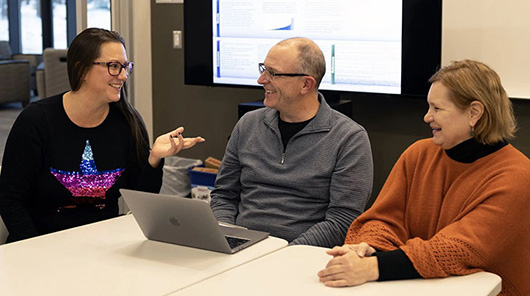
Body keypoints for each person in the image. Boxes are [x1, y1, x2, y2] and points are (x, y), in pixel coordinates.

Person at [317, 60, 530, 295]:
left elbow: (457, 249)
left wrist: (372, 267)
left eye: (437, 109)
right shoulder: (419, 154)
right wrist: (367, 248)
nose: (427, 117)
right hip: (416, 286)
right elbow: (382, 219)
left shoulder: (518, 175)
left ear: (474, 113)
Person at [0, 28, 204, 243]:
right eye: (113, 66)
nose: (124, 76)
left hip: (104, 245)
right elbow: (10, 198)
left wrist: (154, 159)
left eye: (125, 67)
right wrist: (34, 247)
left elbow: (142, 199)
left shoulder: (127, 121)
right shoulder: (37, 120)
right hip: (40, 245)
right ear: (81, 70)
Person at [209, 37, 373, 248]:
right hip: (242, 248)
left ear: (306, 84)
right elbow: (224, 195)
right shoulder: (248, 124)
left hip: (300, 255)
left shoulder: (349, 138)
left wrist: (284, 253)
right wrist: (226, 235)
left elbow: (341, 221)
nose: (261, 80)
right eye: (263, 69)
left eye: (273, 73)